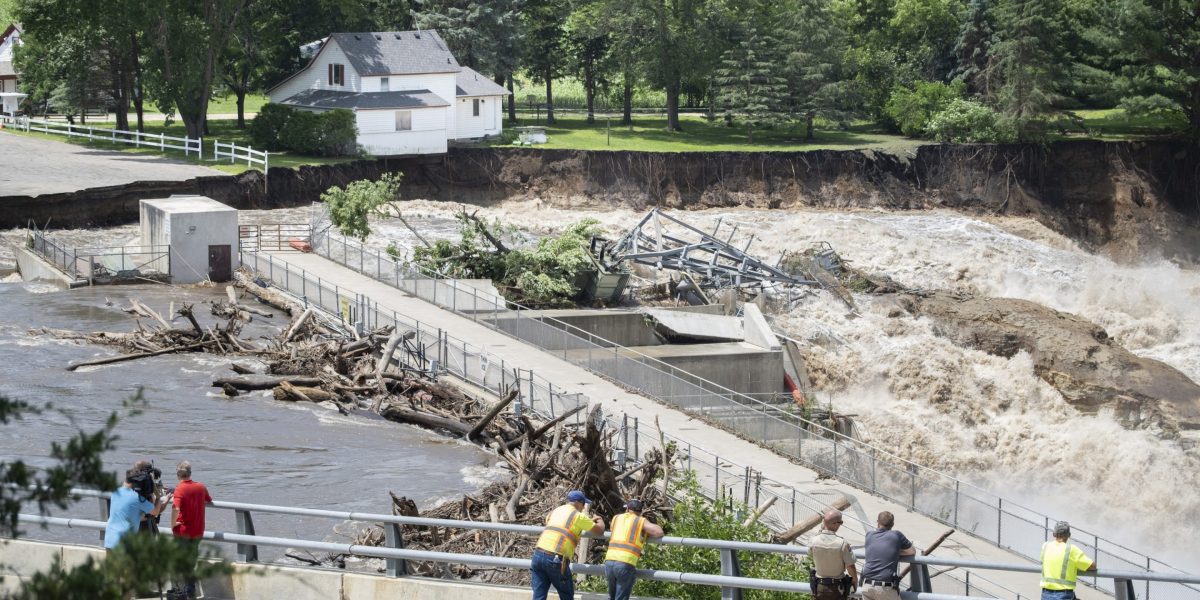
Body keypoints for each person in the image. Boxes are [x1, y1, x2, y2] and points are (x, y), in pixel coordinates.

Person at [532, 490, 606, 600]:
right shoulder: (578, 516)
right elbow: (599, 530)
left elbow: (557, 524)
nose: (584, 507)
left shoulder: (556, 510)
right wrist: (599, 520)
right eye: (584, 504)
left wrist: (586, 522)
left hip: (538, 555)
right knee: (566, 595)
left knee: (539, 595)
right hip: (555, 558)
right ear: (579, 503)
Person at [603, 498, 665, 600]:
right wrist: (644, 530)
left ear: (627, 509)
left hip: (609, 561)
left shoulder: (616, 518)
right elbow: (659, 532)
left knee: (612, 597)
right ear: (640, 512)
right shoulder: (640, 521)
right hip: (625, 563)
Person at [170, 461, 212, 600]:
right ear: (190, 473)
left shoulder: (179, 489)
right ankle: (190, 590)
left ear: (178, 475)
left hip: (183, 531)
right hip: (198, 531)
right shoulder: (201, 486)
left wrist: (172, 524)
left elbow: (176, 508)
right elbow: (208, 499)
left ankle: (183, 591)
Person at [104, 464, 170, 551]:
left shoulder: (116, 492)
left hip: (109, 540)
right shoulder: (137, 499)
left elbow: (136, 514)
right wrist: (158, 496)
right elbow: (155, 512)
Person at [860, 511, 917, 599]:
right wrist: (896, 552)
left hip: (867, 586)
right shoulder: (896, 535)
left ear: (877, 522)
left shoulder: (869, 535)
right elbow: (912, 551)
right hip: (885, 588)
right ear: (892, 524)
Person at [807, 509, 858, 600]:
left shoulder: (813, 541)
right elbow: (851, 566)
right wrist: (855, 582)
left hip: (819, 587)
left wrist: (822, 529)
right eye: (840, 522)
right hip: (837, 588)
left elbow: (810, 553)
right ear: (835, 523)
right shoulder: (842, 543)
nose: (840, 525)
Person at [1040, 521, 1096, 600]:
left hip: (1046, 594)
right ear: (1068, 535)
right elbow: (1092, 566)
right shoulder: (1071, 549)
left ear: (1054, 534)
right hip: (1064, 595)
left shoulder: (1045, 546)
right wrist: (1073, 566)